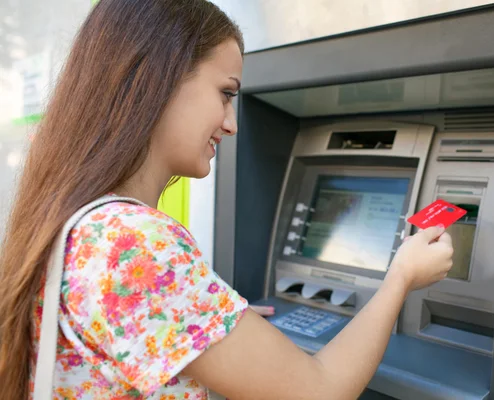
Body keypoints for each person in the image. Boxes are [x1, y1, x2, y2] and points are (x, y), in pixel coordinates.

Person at [0, 0, 454, 399]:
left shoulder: (82, 220)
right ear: (157, 80)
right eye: (226, 94)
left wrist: (212, 324)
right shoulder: (133, 244)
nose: (233, 124)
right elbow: (320, 390)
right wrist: (399, 279)